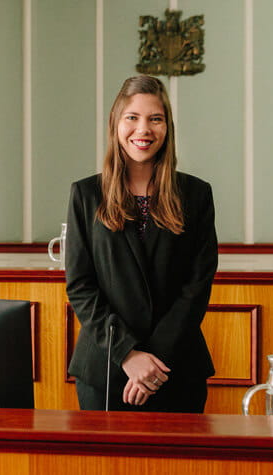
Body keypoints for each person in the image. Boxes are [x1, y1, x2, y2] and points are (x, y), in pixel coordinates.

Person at [64, 75, 217, 413]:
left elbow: (197, 285)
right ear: (116, 124)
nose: (143, 129)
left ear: (168, 128)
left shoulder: (196, 194)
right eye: (132, 117)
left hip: (176, 368)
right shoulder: (86, 195)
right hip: (105, 368)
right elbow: (81, 286)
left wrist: (155, 360)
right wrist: (129, 355)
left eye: (155, 119)